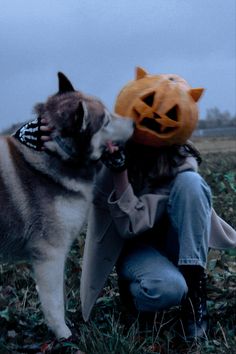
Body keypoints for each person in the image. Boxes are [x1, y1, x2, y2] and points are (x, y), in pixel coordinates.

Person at [14, 67, 236, 341]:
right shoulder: (107, 151)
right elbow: (63, 157)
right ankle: (139, 295)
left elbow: (192, 209)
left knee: (191, 183)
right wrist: (27, 136)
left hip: (176, 244)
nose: (156, 116)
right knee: (165, 289)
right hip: (133, 247)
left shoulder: (181, 159)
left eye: (171, 113)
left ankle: (194, 299)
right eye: (149, 104)